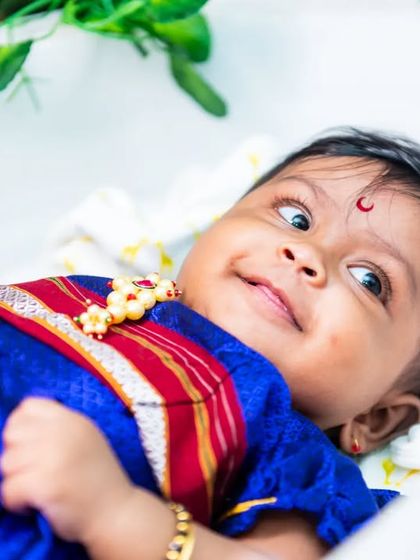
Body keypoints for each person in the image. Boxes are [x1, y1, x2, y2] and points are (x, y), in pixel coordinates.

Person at [0, 128, 420, 560]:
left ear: (377, 419)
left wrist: (115, 513)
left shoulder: (293, 454)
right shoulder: (100, 289)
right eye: (296, 218)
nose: (306, 254)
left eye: (369, 280)